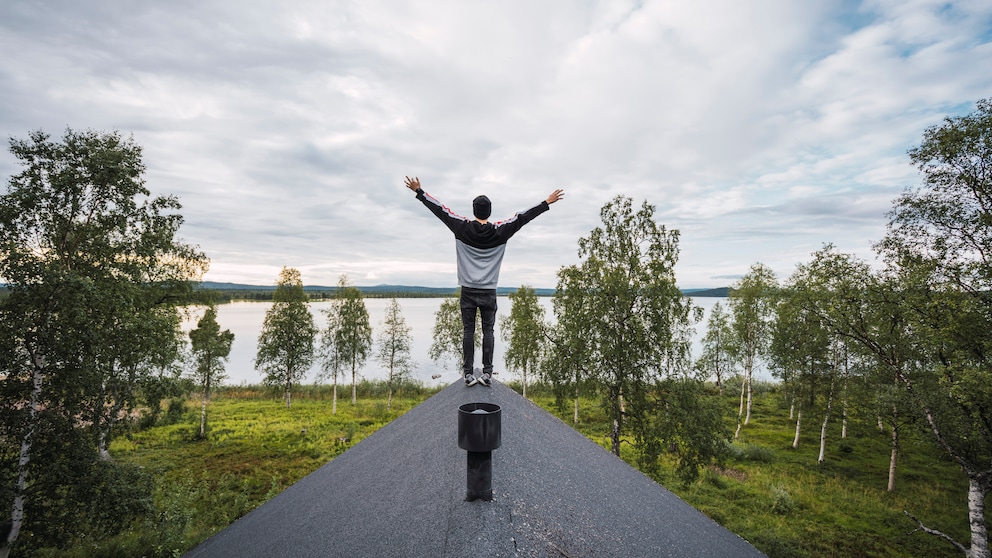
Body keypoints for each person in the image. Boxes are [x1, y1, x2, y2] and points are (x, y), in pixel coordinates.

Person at [405, 176, 564, 386]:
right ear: (489, 212)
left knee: (468, 331)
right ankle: (488, 373)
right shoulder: (500, 231)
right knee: (488, 331)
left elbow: (441, 210)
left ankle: (468, 373)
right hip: (489, 291)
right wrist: (546, 203)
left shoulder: (461, 228)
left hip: (468, 291)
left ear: (474, 211)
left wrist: (420, 192)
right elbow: (522, 217)